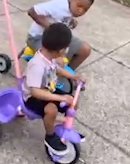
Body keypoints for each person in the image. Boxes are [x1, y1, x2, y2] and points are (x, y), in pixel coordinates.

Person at [23, 23, 84, 155]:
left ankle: (65, 127)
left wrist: (73, 77)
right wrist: (60, 97)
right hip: (32, 98)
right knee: (51, 110)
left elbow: (57, 69)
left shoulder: (51, 57)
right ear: (60, 50)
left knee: (72, 102)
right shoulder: (37, 65)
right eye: (66, 49)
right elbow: (35, 91)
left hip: (48, 91)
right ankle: (50, 136)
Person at [27, 0, 95, 73]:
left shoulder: (71, 6)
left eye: (85, 9)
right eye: (79, 6)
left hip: (59, 39)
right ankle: (55, 73)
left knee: (85, 50)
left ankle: (66, 74)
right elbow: (32, 11)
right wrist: (51, 28)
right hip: (39, 38)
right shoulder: (58, 6)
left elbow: (62, 17)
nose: (80, 11)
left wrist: (71, 21)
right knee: (55, 60)